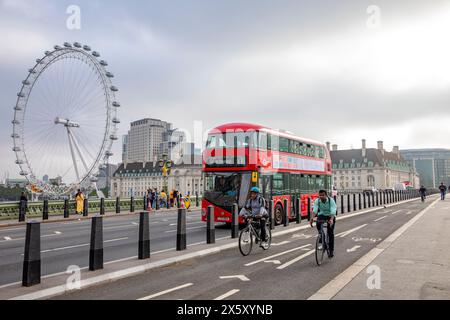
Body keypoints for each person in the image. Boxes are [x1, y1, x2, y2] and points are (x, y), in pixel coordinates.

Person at [310, 190, 337, 258]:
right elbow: (315, 210)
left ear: (326, 195)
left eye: (322, 195)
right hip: (322, 214)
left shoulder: (331, 201)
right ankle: (321, 237)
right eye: (320, 195)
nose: (321, 196)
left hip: (330, 215)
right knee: (318, 224)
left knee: (330, 233)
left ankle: (331, 250)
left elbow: (333, 210)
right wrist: (312, 218)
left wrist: (331, 220)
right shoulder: (317, 200)